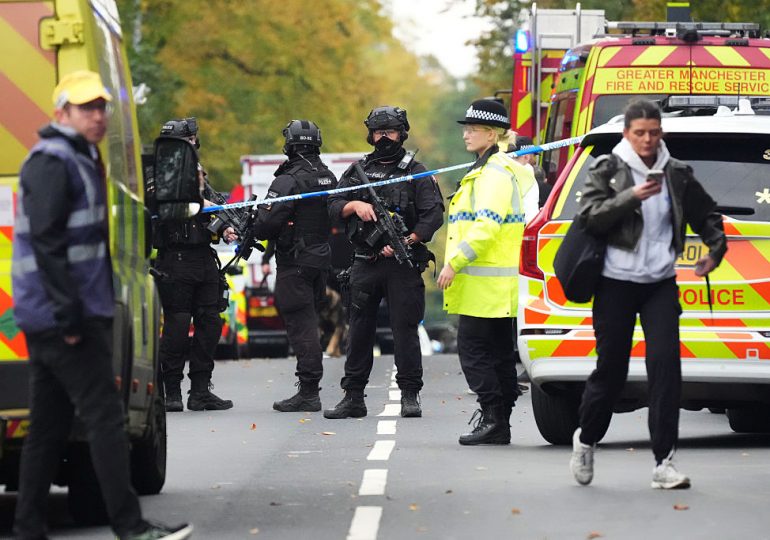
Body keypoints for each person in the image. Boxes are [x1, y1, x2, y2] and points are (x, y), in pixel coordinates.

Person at [12, 70, 192, 540]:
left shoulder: (77, 156)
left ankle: (29, 526)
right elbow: (49, 244)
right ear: (61, 113)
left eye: (101, 107)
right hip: (64, 318)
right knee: (106, 419)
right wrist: (70, 315)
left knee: (48, 428)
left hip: (58, 315)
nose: (97, 115)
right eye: (86, 108)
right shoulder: (53, 161)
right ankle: (130, 527)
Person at [569, 99, 727, 489]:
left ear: (662, 134)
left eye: (654, 133)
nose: (647, 140)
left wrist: (715, 251)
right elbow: (589, 216)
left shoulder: (676, 173)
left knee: (665, 369)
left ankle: (664, 464)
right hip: (615, 283)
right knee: (612, 371)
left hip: (658, 283)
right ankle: (586, 439)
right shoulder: (607, 169)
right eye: (639, 133)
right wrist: (631, 197)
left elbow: (707, 215)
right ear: (627, 134)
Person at [324, 106, 444, 419]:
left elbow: (434, 214)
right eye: (378, 132)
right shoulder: (357, 171)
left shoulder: (416, 171)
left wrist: (410, 239)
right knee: (359, 329)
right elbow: (332, 204)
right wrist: (354, 205)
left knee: (404, 329)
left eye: (389, 132)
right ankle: (353, 397)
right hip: (366, 261)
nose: (384, 138)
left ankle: (409, 395)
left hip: (402, 264)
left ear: (401, 133)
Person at [437, 98, 538, 445]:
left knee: (474, 351)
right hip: (494, 285)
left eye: (473, 129)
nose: (466, 134)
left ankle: (494, 416)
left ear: (492, 133)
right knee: (497, 354)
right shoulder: (488, 169)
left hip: (486, 285)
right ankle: (499, 423)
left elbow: (486, 226)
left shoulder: (494, 173)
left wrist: (454, 263)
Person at [251, 120, 338, 412]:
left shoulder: (288, 180)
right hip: (320, 261)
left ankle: (309, 392)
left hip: (295, 262)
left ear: (290, 143)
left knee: (302, 325)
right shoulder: (327, 176)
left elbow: (266, 224)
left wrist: (255, 222)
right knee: (309, 319)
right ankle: (309, 388)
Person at [153, 117, 235, 412]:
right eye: (187, 141)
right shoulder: (158, 175)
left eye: (192, 141)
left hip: (203, 259)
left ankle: (200, 390)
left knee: (210, 323)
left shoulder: (200, 173)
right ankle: (171, 391)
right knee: (176, 327)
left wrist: (225, 227)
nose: (191, 145)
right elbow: (171, 208)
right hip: (175, 261)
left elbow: (215, 208)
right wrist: (202, 203)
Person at [512, 134, 550, 207]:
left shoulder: (505, 173)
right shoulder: (529, 176)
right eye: (534, 155)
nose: (535, 161)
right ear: (526, 156)